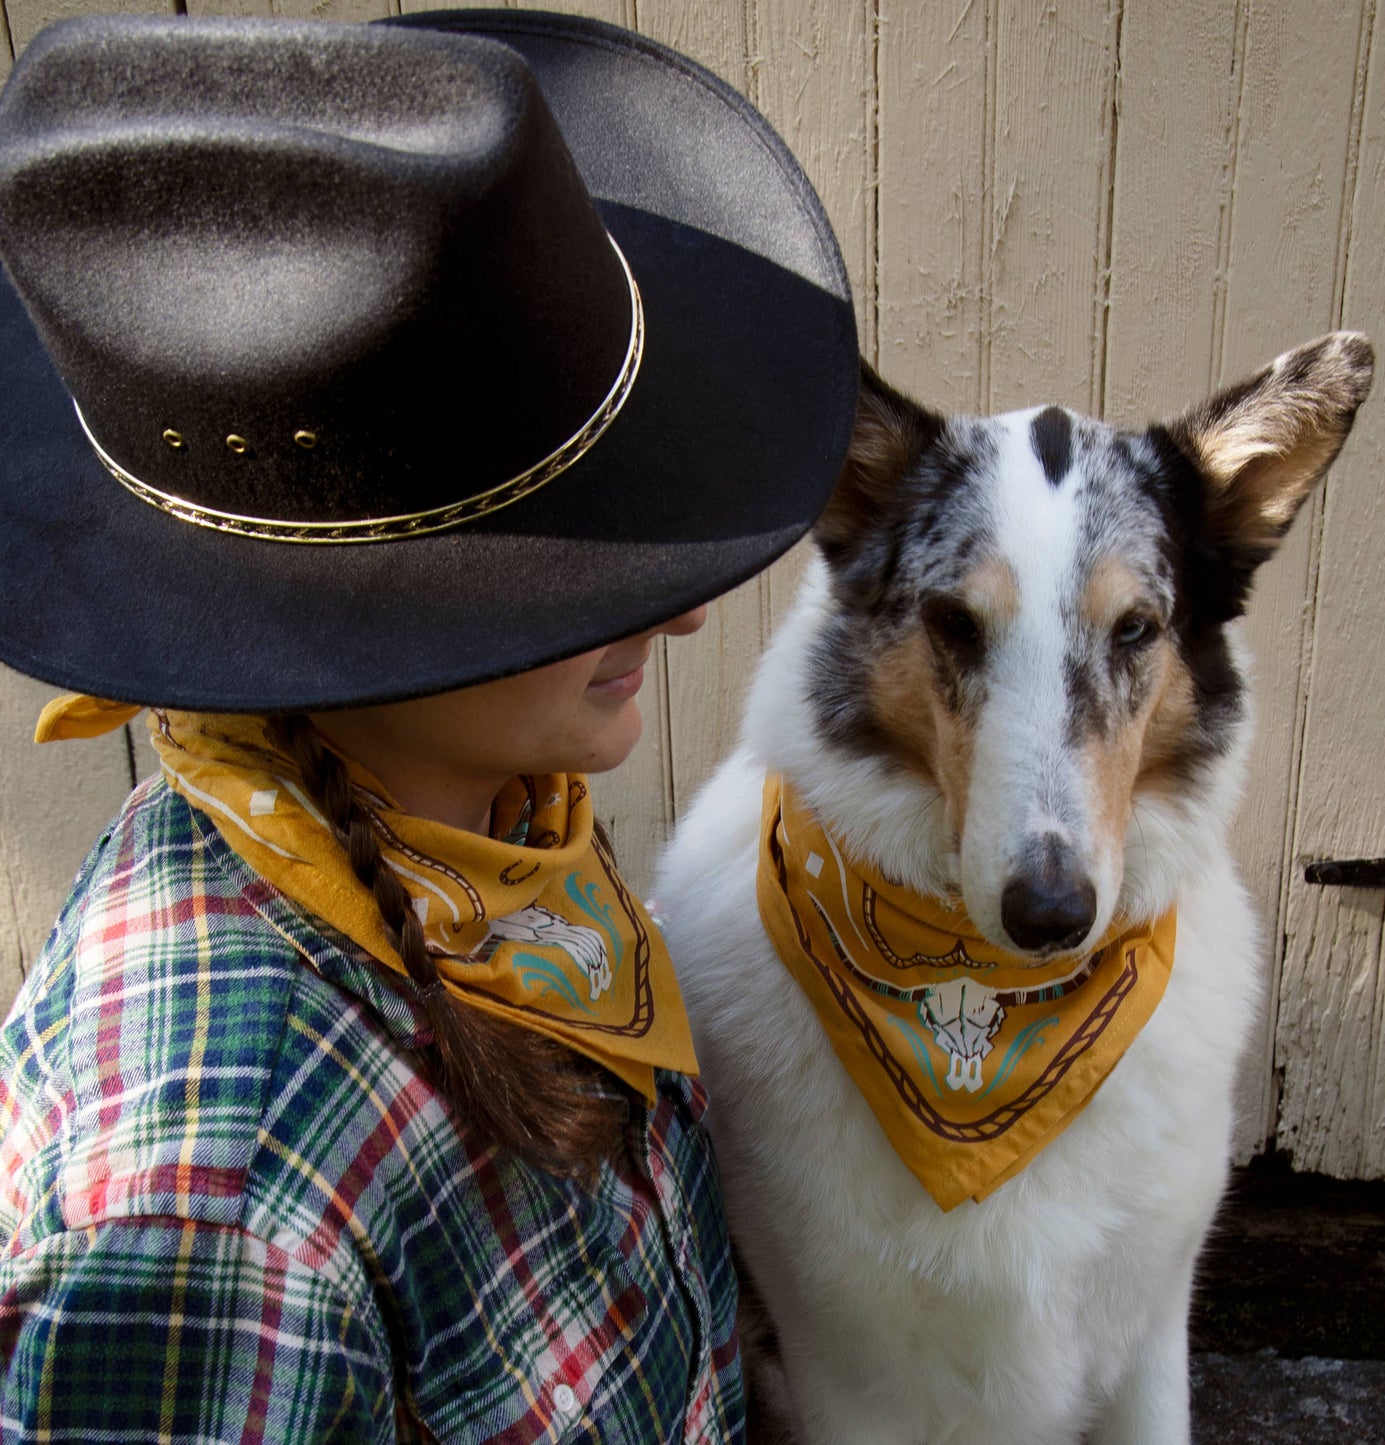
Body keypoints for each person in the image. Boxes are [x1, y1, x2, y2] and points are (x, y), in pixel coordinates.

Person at [0, 11, 856, 1441]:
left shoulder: (477, 821)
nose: (688, 620)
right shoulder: (214, 1211)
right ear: (375, 606)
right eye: (565, 570)